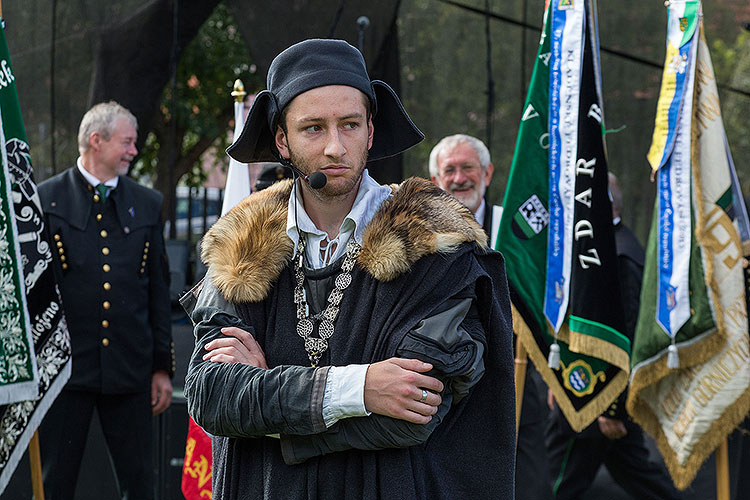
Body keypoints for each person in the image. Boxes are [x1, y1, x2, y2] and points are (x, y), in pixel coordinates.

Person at [184, 39, 515, 499]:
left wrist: (263, 403)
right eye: (314, 128)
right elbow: (212, 396)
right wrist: (361, 387)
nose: (336, 147)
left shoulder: (437, 248)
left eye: (350, 125)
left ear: (371, 131)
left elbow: (415, 411)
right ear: (283, 140)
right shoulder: (242, 248)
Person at [37, 101, 174, 500]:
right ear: (96, 141)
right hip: (65, 374)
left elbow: (157, 291)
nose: (134, 150)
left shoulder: (146, 204)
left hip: (130, 372)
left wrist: (161, 369)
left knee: (139, 484)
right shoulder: (47, 201)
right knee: (54, 483)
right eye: (127, 142)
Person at [430, 134, 553, 500]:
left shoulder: (518, 232)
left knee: (529, 485)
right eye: (449, 170)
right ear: (436, 180)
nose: (459, 178)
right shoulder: (420, 234)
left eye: (467, 167)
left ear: (487, 173)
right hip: (448, 385)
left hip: (516, 377)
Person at [545, 173, 681, 500]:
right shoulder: (604, 250)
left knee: (552, 484)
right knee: (641, 477)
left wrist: (613, 408)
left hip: (597, 399)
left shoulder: (619, 258)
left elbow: (629, 336)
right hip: (584, 391)